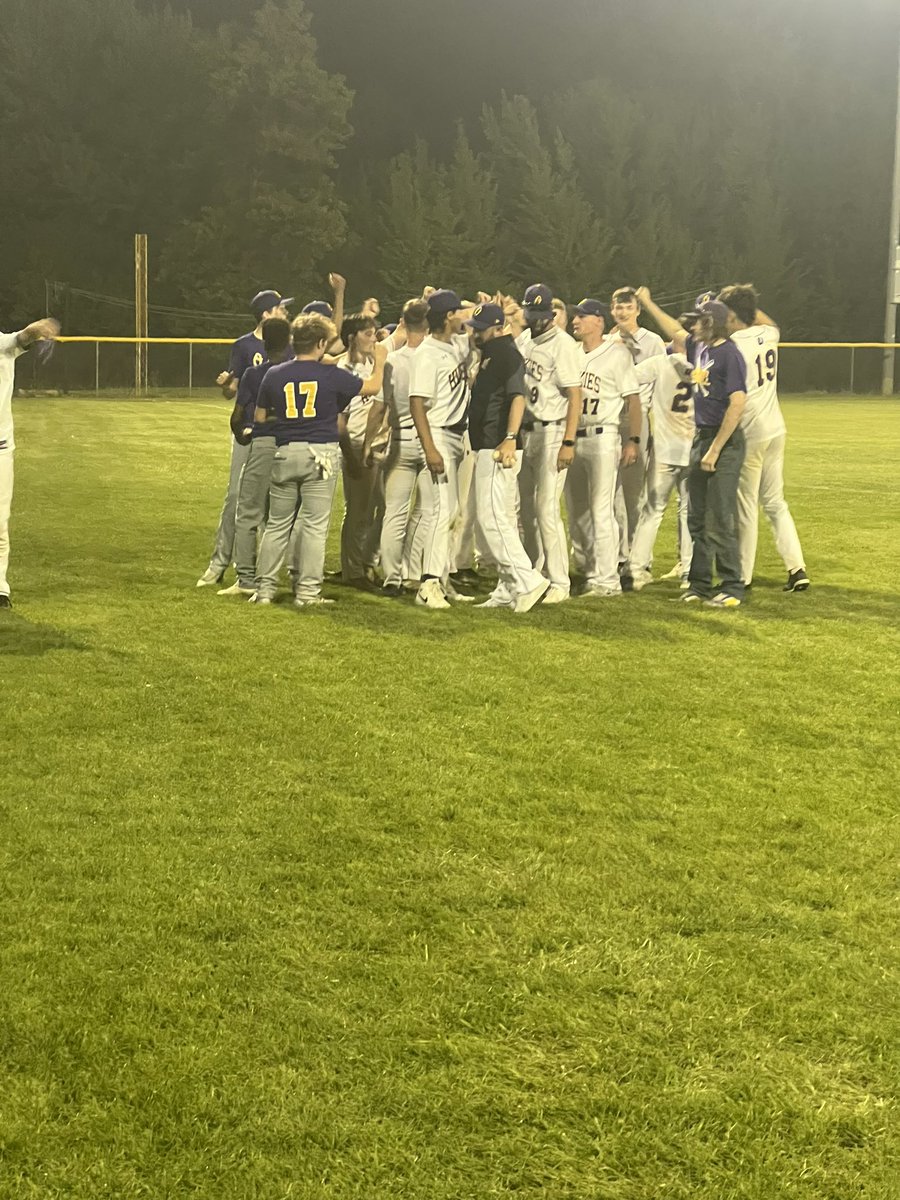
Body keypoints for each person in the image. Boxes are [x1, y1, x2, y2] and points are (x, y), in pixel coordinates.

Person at [251, 315, 387, 606]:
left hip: (285, 451)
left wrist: (292, 420)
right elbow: (373, 387)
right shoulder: (330, 374)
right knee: (314, 526)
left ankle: (264, 591)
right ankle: (307, 593)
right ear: (321, 343)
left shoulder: (274, 374)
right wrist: (382, 359)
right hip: (320, 454)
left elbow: (260, 418)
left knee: (277, 524)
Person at [637, 289, 748, 607]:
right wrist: (647, 304)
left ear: (712, 323)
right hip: (700, 437)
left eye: (699, 321)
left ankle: (732, 586)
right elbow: (674, 330)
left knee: (718, 517)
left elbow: (737, 404)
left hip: (723, 442)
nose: (693, 326)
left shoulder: (730, 353)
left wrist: (715, 450)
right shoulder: (701, 347)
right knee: (696, 517)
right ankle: (699, 585)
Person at [196, 288, 292, 588]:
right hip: (248, 432)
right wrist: (225, 384)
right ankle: (219, 563)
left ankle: (265, 570)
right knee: (237, 498)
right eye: (280, 308)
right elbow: (233, 390)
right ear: (266, 314)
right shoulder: (244, 345)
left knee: (273, 503)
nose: (285, 312)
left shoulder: (288, 345)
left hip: (281, 433)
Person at [717, 284, 810, 592]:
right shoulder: (769, 334)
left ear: (731, 315)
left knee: (746, 507)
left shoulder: (732, 346)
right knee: (775, 503)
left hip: (751, 432)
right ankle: (797, 568)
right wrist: (746, 303)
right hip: (775, 428)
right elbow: (767, 321)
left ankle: (741, 577)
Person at [465, 303, 549, 612]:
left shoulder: (505, 353)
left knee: (492, 518)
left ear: (497, 327)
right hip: (490, 443)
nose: (474, 331)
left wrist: (510, 438)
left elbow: (517, 397)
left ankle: (526, 581)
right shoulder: (492, 350)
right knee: (500, 517)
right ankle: (508, 586)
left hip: (498, 444)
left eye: (480, 326)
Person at [565, 300, 641, 596]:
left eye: (581, 316)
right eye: (575, 316)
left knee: (601, 509)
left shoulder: (617, 353)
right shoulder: (571, 353)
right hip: (573, 436)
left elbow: (633, 400)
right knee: (577, 511)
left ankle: (608, 580)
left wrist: (633, 439)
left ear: (598, 320)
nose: (575, 321)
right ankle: (588, 571)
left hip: (603, 435)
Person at [512, 284, 582, 603]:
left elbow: (575, 396)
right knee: (525, 505)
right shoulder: (525, 339)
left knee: (546, 507)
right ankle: (533, 572)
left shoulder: (563, 344)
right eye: (531, 312)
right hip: (527, 431)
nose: (535, 319)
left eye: (540, 314)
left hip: (553, 430)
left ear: (551, 314)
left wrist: (569, 441)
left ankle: (560, 582)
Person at [408, 289, 475, 609]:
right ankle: (428, 584)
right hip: (436, 434)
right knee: (440, 511)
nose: (464, 315)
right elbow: (417, 404)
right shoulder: (427, 352)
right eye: (458, 312)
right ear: (448, 317)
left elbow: (475, 330)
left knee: (451, 512)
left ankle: (442, 581)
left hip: (456, 435)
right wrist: (429, 448)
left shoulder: (457, 344)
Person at [217, 317, 294, 596]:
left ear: (265, 342)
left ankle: (247, 579)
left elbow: (237, 418)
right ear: (289, 342)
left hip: (261, 444)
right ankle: (280, 577)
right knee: (283, 518)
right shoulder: (297, 372)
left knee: (248, 512)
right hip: (291, 447)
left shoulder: (253, 373)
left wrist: (245, 436)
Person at [361, 298, 429, 598]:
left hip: (398, 439)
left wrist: (367, 443)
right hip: (431, 440)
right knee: (427, 511)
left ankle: (391, 576)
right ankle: (414, 573)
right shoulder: (437, 356)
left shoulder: (391, 360)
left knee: (394, 513)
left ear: (403, 322)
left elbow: (378, 409)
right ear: (427, 324)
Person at [0, 315, 61, 609]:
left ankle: (0, 590)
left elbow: (21, 338)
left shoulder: (1, 343)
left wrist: (36, 330)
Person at [624, 349, 695, 589]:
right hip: (693, 446)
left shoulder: (661, 362)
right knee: (688, 511)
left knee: (652, 510)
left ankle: (636, 570)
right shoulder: (706, 362)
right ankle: (688, 570)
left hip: (665, 448)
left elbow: (626, 377)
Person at [608, 286, 666, 570]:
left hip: (636, 417)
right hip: (609, 418)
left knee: (633, 493)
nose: (622, 312)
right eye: (618, 307)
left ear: (638, 310)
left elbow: (660, 380)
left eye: (628, 307)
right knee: (611, 493)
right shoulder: (607, 339)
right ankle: (620, 554)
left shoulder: (652, 340)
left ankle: (640, 557)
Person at [336, 313, 384, 587]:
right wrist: (351, 455)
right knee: (358, 510)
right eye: (367, 333)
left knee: (376, 508)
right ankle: (353, 571)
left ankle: (363, 564)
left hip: (374, 444)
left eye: (375, 332)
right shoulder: (343, 369)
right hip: (355, 444)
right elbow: (340, 417)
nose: (374, 337)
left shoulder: (370, 363)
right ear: (352, 337)